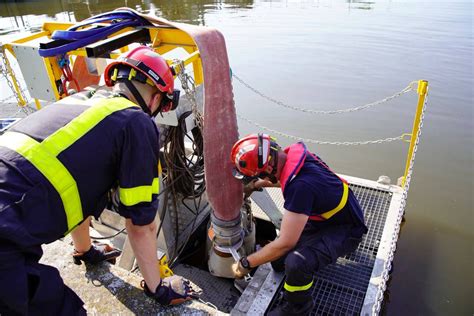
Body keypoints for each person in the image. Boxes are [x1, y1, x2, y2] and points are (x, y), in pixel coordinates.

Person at [0, 45, 196, 315]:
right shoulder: (136, 123)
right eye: (162, 104)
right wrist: (158, 288)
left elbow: (74, 184)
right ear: (155, 97)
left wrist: (85, 250)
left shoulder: (81, 100)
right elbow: (140, 224)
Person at [230, 133, 368, 315]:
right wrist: (255, 185)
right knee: (278, 262)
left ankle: (297, 307)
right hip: (329, 216)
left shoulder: (300, 188)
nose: (261, 178)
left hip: (346, 229)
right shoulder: (295, 159)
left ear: (269, 166)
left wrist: (246, 263)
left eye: (260, 175)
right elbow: (283, 178)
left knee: (296, 263)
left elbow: (286, 242)